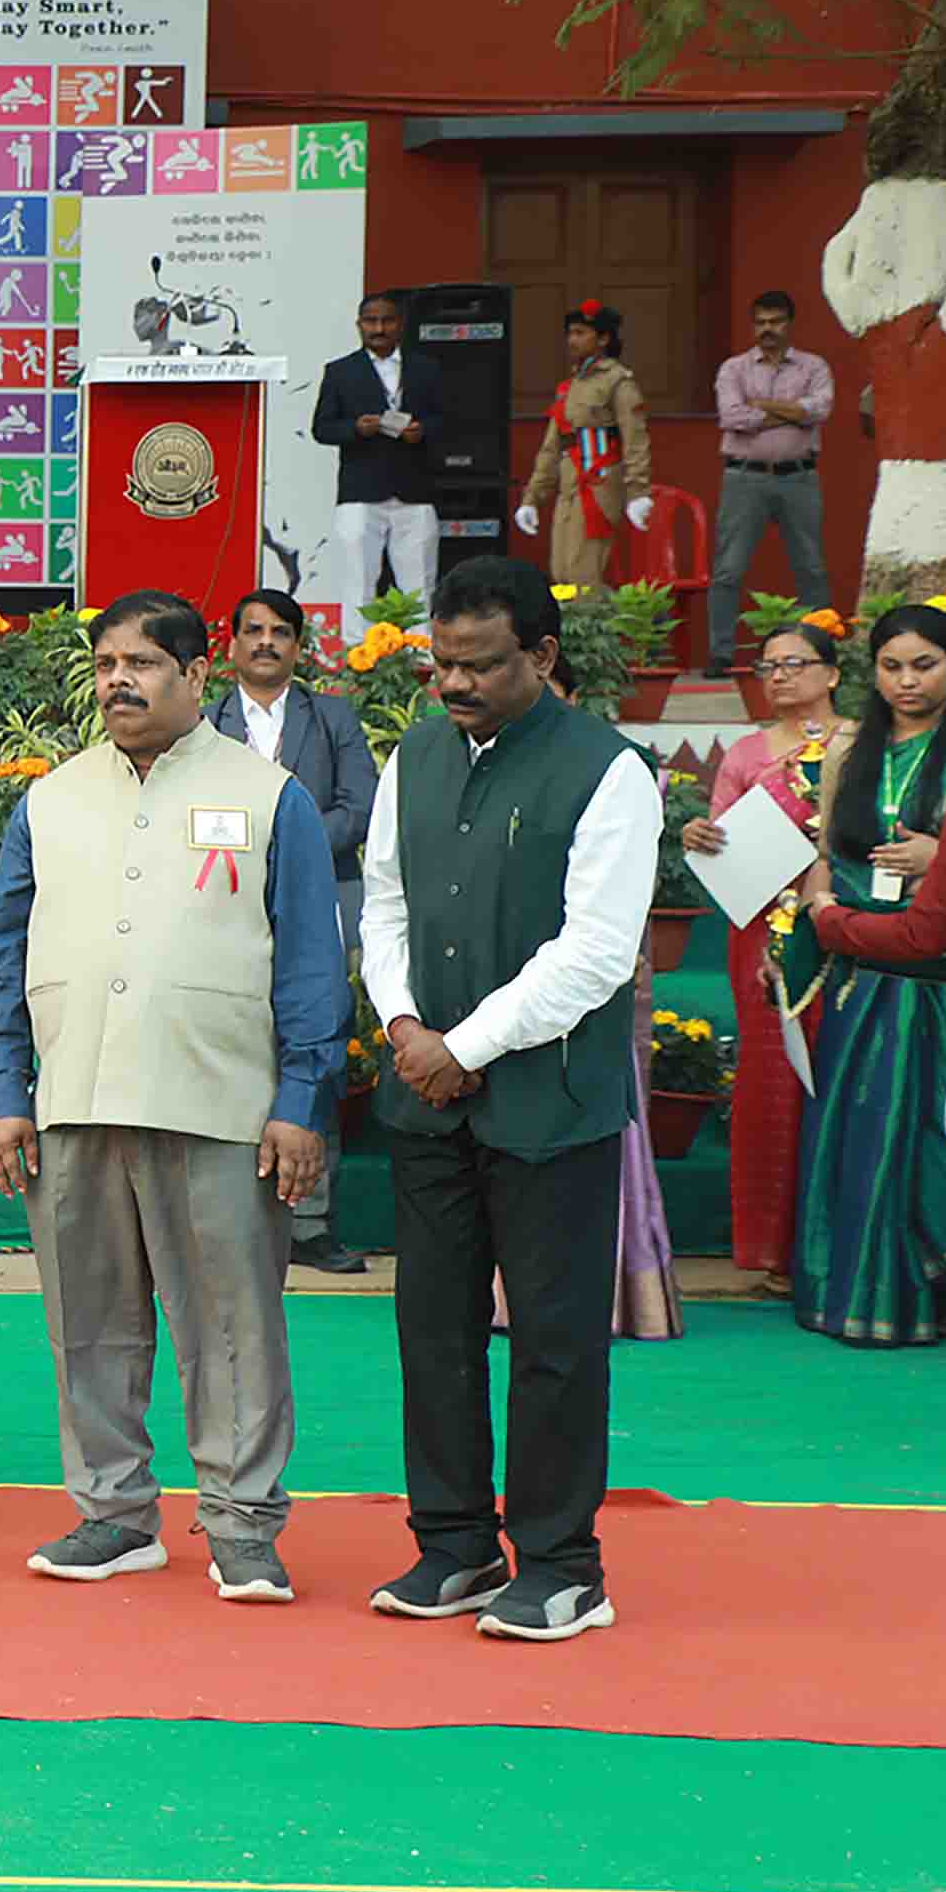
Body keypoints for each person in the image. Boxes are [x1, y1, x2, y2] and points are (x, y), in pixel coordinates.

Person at [0, 592, 345, 1604]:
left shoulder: (270, 797)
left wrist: (300, 1098)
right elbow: (3, 952)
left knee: (232, 1324)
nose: (118, 682)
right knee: (87, 1319)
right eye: (105, 665)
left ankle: (242, 1522)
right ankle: (113, 1511)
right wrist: (5, 1089)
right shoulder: (51, 799)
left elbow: (312, 962)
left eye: (140, 663)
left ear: (196, 674)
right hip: (75, 1096)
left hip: (221, 1103)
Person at [360, 556, 655, 1641]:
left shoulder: (608, 771)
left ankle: (563, 1564)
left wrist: (463, 1045)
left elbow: (595, 952)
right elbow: (383, 903)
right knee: (432, 1331)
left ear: (541, 654)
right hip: (426, 1094)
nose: (453, 683)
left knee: (554, 1341)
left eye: (480, 664)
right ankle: (454, 1544)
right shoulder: (414, 755)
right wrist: (403, 1025)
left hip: (551, 1105)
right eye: (441, 662)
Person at [778, 604, 946, 1350]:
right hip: (860, 979)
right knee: (858, 1135)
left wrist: (938, 858)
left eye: (925, 665)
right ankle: (853, 1298)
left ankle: (929, 1300)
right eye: (892, 666)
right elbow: (827, 851)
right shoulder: (850, 750)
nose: (907, 682)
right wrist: (816, 906)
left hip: (937, 985)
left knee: (923, 1145)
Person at [208, 585, 379, 1272]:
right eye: (253, 630)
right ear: (231, 645)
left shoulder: (332, 718)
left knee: (315, 1046)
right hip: (221, 904)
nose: (266, 642)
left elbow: (359, 808)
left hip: (322, 902)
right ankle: (226, 1221)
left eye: (280, 632)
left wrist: (287, 847)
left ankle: (310, 1223)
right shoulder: (206, 720)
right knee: (229, 1045)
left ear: (299, 648)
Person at [686, 616, 843, 1291]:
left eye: (794, 663)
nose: (779, 677)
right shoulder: (747, 753)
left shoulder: (859, 744)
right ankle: (774, 1252)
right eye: (768, 666)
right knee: (772, 1082)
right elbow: (725, 840)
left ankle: (840, 1247)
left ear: (832, 674)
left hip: (842, 927)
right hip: (760, 931)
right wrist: (700, 837)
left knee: (840, 1075)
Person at [712, 290, 837, 658]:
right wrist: (793, 413)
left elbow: (819, 410)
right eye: (761, 322)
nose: (768, 329)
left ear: (789, 324)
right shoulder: (734, 368)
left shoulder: (814, 367)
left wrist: (762, 407)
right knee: (728, 569)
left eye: (776, 321)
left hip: (799, 478)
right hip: (744, 478)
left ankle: (819, 649)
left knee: (811, 568)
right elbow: (732, 416)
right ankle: (721, 653)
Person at [313, 291, 447, 603]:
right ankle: (356, 639)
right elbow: (322, 428)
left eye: (387, 321)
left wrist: (422, 431)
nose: (379, 328)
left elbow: (448, 421)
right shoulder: (340, 371)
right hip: (360, 492)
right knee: (357, 583)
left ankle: (421, 639)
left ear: (401, 324)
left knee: (420, 586)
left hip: (415, 490)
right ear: (359, 325)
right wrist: (355, 428)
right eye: (371, 321)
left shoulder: (427, 368)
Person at [515, 300, 653, 589]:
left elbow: (635, 440)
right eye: (570, 333)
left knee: (584, 574)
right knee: (561, 573)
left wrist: (638, 491)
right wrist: (532, 498)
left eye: (580, 333)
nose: (572, 340)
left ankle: (597, 618)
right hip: (569, 486)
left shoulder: (618, 381)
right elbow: (551, 448)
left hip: (599, 484)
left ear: (603, 339)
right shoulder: (569, 386)